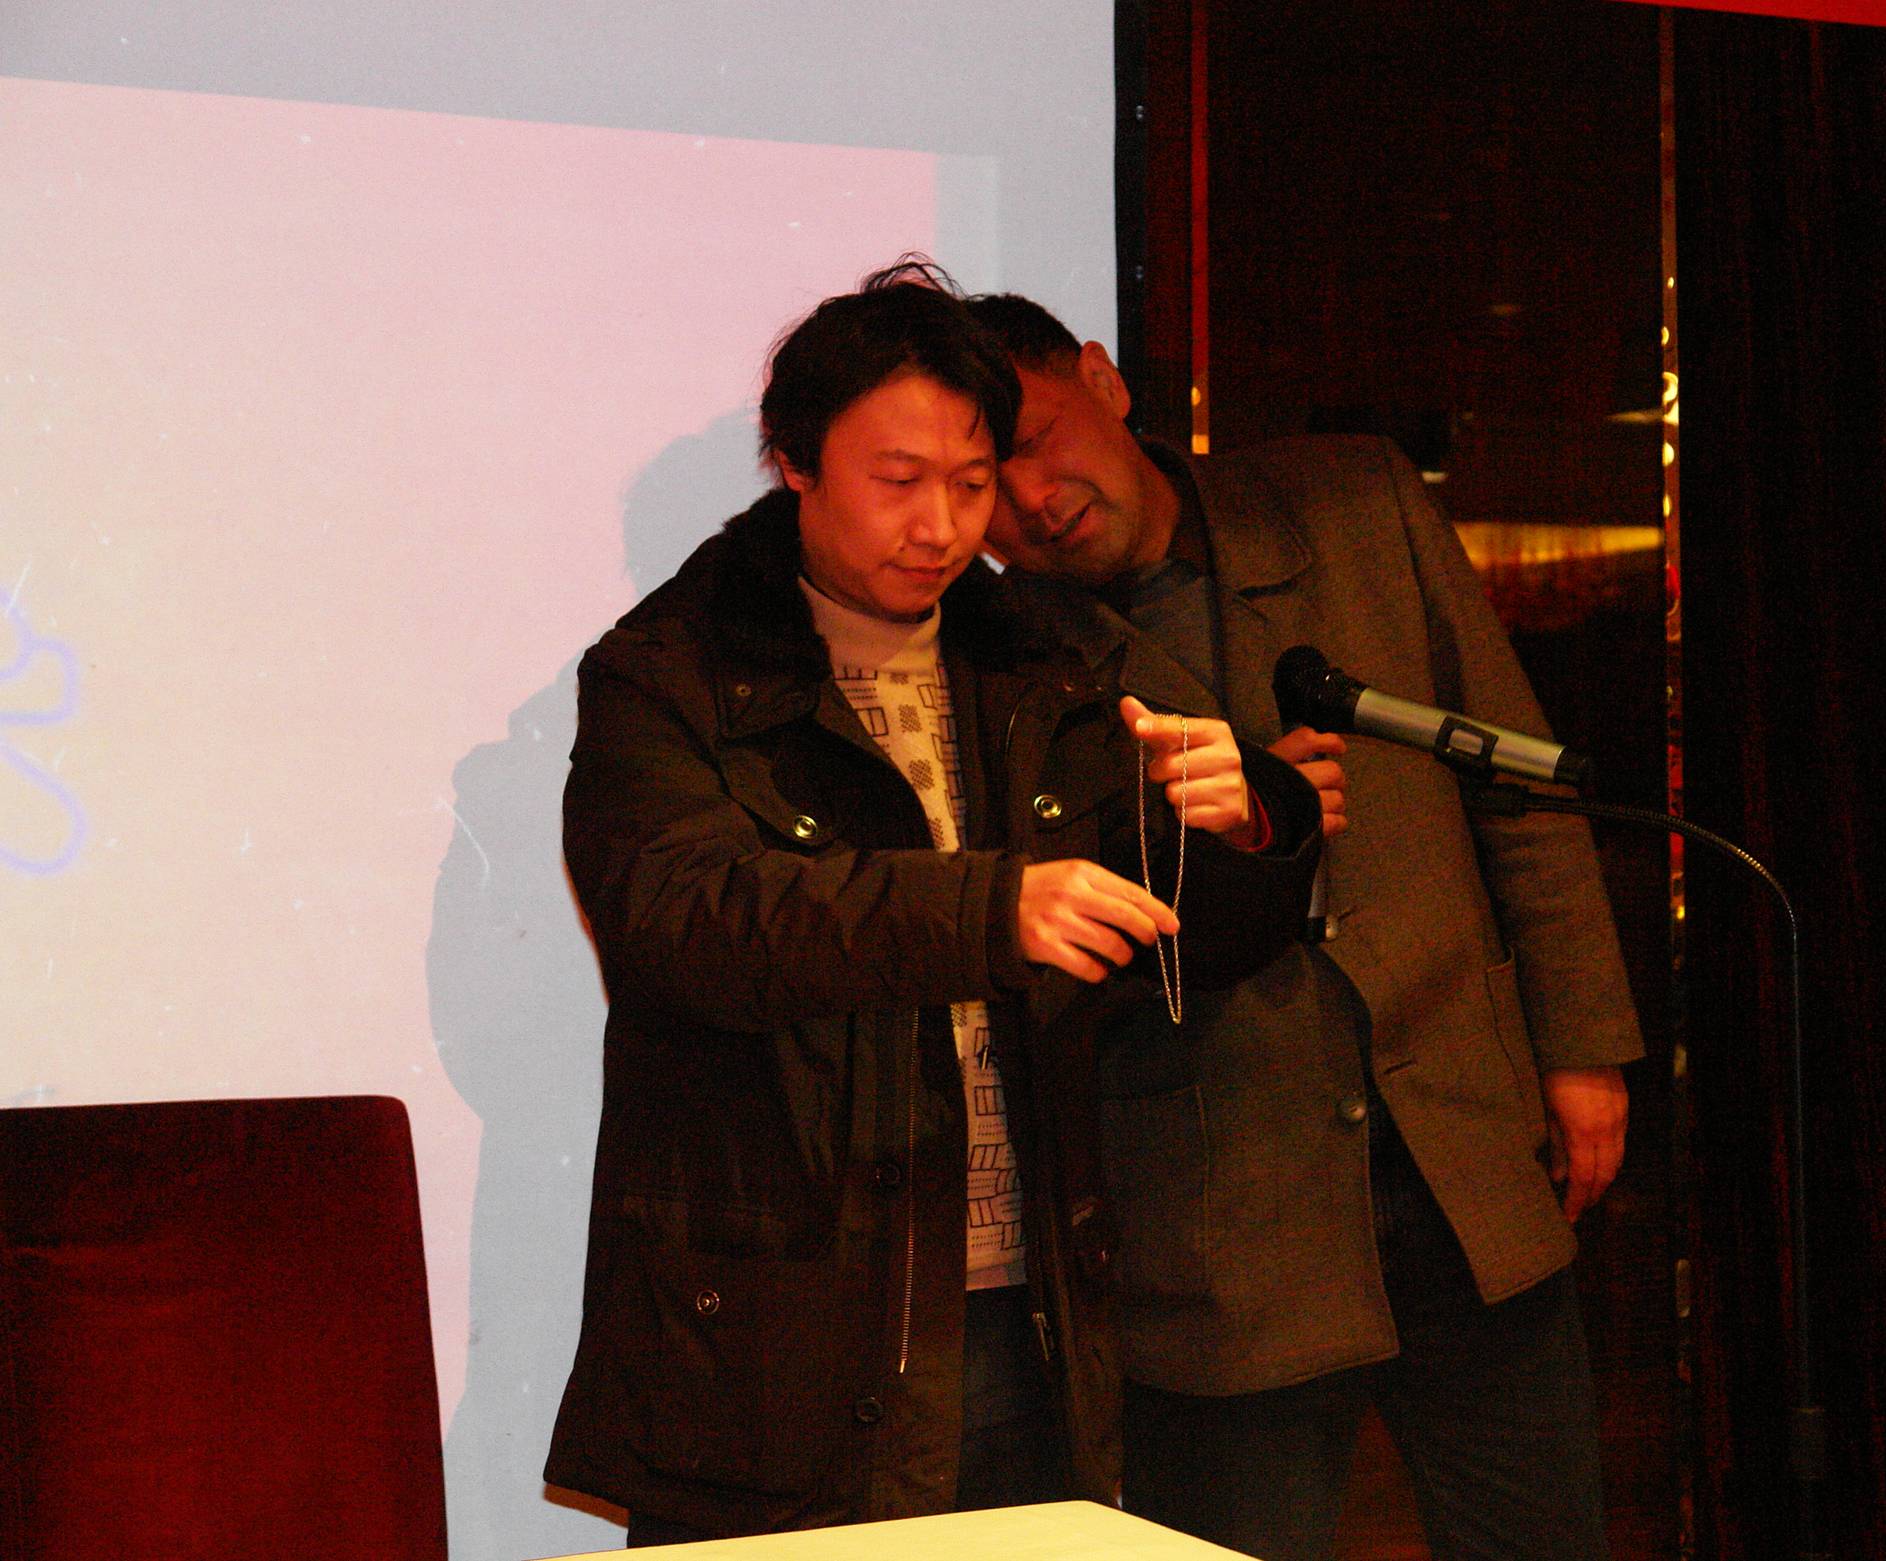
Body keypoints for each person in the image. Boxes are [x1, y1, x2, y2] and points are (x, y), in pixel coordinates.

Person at [543, 266, 1321, 1545]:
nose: (943, 525)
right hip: (783, 1329)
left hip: (1029, 1306)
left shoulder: (1042, 656)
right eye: (898, 480)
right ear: (795, 462)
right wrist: (986, 908)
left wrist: (1246, 832)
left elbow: (1178, 939)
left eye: (970, 483)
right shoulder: (666, 672)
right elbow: (685, 919)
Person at [966, 293, 1645, 1561]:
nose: (1031, 502)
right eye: (982, 488)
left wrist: (1582, 1041)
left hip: (1460, 1147)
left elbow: (1516, 778)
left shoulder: (1354, 501)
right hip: (1221, 1209)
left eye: (1038, 440)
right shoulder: (997, 657)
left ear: (1103, 381)